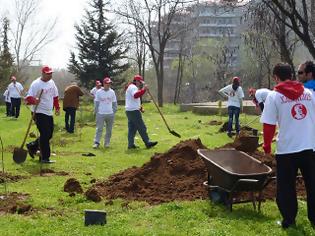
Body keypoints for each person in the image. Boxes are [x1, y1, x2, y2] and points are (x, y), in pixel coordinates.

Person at [261, 62, 315, 229]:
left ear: (276, 77)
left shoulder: (273, 96)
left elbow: (269, 126)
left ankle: (289, 220)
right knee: (313, 185)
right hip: (310, 147)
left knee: (286, 188)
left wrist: (267, 146)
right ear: (291, 75)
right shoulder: (309, 93)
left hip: (287, 150)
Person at [25, 66, 60, 163]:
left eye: (51, 73)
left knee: (49, 134)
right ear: (43, 74)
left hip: (49, 112)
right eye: (48, 74)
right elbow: (28, 99)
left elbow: (55, 96)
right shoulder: (36, 84)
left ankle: (32, 146)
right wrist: (34, 100)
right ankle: (45, 157)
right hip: (38, 112)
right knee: (45, 134)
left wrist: (57, 107)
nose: (50, 75)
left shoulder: (52, 83)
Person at [125, 75, 158, 149]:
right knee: (142, 127)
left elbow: (134, 100)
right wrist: (144, 89)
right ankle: (147, 142)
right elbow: (136, 95)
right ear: (136, 81)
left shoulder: (131, 87)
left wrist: (140, 108)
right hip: (133, 111)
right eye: (139, 82)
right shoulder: (133, 87)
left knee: (132, 129)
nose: (140, 83)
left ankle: (130, 145)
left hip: (130, 111)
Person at [93, 77, 117, 148]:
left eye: (109, 83)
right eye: (107, 83)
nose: (108, 85)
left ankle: (107, 143)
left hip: (110, 114)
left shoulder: (112, 92)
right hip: (101, 113)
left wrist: (114, 112)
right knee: (99, 128)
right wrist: (96, 112)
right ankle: (96, 142)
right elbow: (96, 103)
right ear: (104, 84)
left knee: (109, 130)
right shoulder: (99, 92)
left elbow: (114, 103)